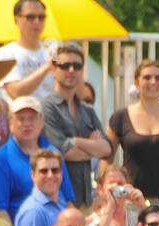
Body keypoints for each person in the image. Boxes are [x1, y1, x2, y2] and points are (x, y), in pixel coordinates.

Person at [39, 44, 110, 208]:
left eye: (77, 66)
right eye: (65, 66)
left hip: (85, 199)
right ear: (53, 70)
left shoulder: (87, 109)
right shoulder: (47, 107)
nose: (71, 70)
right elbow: (62, 152)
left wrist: (76, 141)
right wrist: (93, 148)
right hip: (57, 200)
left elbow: (107, 149)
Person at [0, 95, 73, 222]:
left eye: (32, 119)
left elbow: (69, 200)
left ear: (41, 123)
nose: (27, 124)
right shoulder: (1, 159)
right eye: (21, 119)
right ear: (11, 124)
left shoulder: (54, 154)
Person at [108, 61, 159, 203]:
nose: (153, 82)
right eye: (147, 77)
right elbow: (107, 157)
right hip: (131, 197)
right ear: (137, 83)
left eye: (158, 78)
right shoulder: (121, 117)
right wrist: (107, 189)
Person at [13, 148, 64, 226]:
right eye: (44, 171)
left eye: (55, 170)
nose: (50, 175)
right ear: (33, 175)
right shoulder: (34, 212)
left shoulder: (60, 205)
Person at [0, 0, 55, 103]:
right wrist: (47, 67)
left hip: (50, 116)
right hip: (21, 116)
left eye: (41, 17)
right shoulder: (6, 53)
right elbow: (16, 92)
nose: (37, 22)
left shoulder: (51, 51)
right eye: (30, 17)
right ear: (16, 20)